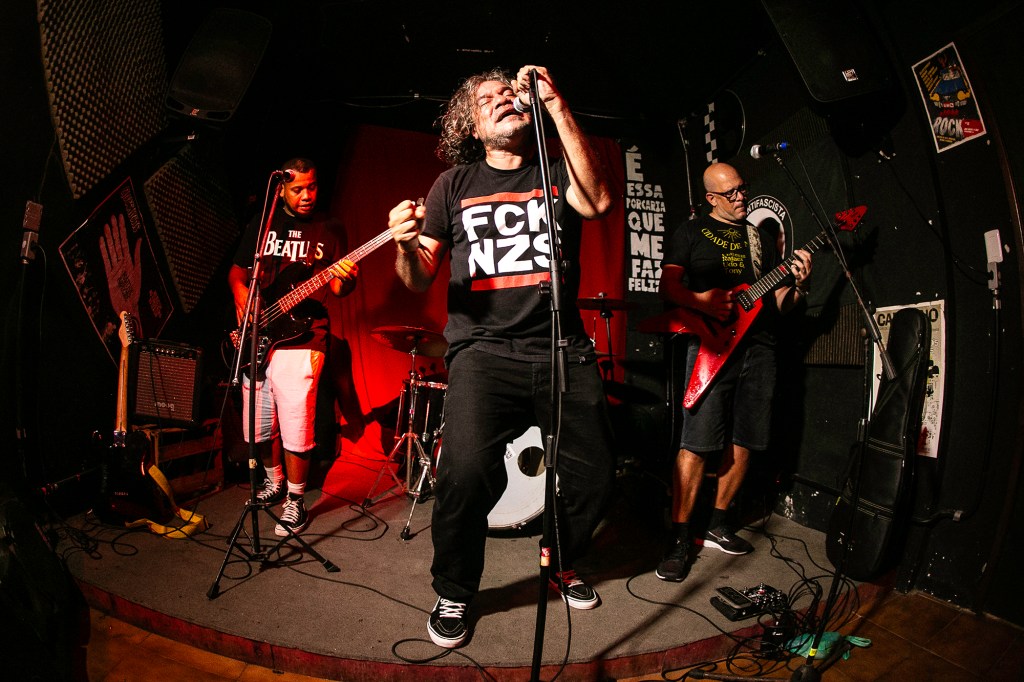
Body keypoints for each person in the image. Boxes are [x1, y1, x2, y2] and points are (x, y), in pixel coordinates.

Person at [387, 65, 616, 648]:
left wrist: (555, 104)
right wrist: (406, 245)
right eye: (486, 99)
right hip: (483, 351)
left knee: (593, 477)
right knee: (464, 475)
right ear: (471, 125)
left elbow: (598, 202)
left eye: (509, 93)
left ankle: (561, 560)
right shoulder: (453, 184)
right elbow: (419, 276)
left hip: (561, 348)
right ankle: (455, 590)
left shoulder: (557, 170)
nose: (502, 100)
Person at [655, 162, 812, 582]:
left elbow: (780, 303)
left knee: (747, 437)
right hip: (711, 346)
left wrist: (799, 285)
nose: (742, 197)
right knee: (696, 442)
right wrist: (701, 301)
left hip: (760, 348)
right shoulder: (691, 232)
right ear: (711, 198)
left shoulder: (760, 238)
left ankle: (718, 522)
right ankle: (679, 537)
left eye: (743, 189)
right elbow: (668, 286)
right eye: (731, 193)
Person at [228, 157, 358, 537]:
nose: (306, 195)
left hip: (305, 334)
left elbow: (339, 287)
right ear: (282, 189)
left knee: (295, 422)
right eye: (298, 188)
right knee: (262, 421)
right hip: (262, 331)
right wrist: (240, 292)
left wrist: (348, 279)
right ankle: (275, 481)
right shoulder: (264, 223)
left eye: (312, 186)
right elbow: (237, 271)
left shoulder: (331, 228)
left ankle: (296, 501)